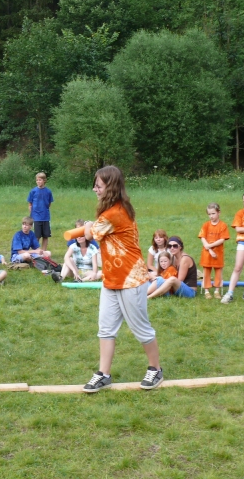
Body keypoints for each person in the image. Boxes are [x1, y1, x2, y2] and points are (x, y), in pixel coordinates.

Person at [81, 165, 163, 393]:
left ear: (110, 187)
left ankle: (155, 369)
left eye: (98, 186)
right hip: (112, 278)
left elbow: (90, 234)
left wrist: (87, 225)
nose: (95, 189)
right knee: (106, 329)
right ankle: (103, 374)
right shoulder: (112, 210)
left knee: (140, 328)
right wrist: (91, 225)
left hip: (131, 279)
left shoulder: (114, 213)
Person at [198, 203, 229, 300]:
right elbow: (202, 237)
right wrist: (209, 249)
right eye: (209, 214)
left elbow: (222, 239)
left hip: (218, 253)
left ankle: (217, 290)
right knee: (206, 272)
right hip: (207, 253)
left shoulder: (223, 225)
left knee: (218, 272)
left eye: (213, 213)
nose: (211, 216)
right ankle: (206, 291)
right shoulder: (206, 225)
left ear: (219, 213)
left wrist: (210, 246)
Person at [27, 172, 54, 251]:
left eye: (40, 180)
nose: (38, 182)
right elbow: (30, 204)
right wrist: (32, 214)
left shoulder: (48, 192)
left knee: (45, 235)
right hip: (36, 217)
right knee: (37, 235)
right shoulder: (33, 191)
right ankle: (36, 251)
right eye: (37, 180)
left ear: (44, 180)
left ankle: (44, 251)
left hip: (45, 217)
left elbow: (49, 204)